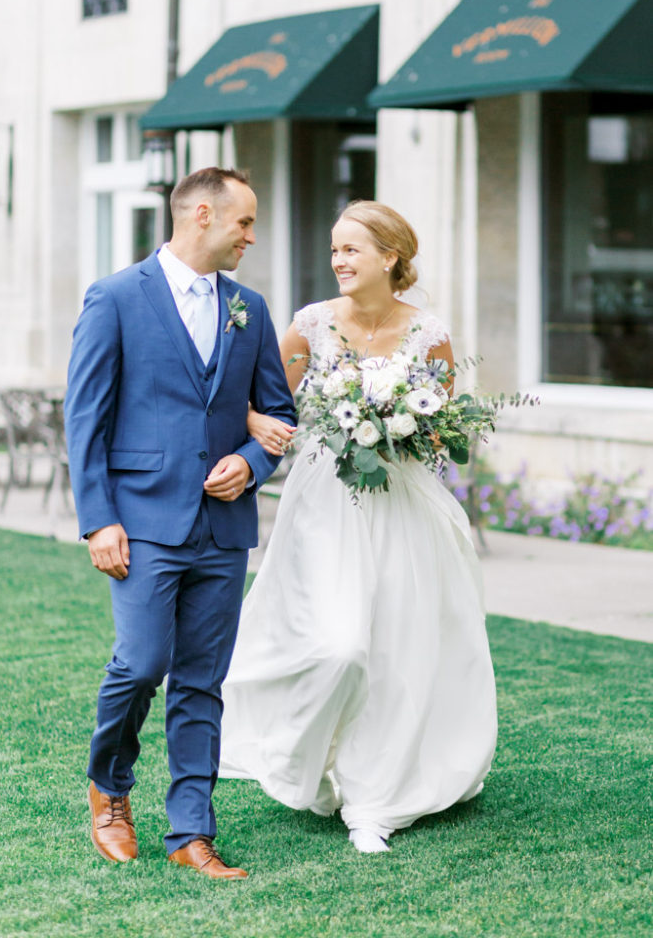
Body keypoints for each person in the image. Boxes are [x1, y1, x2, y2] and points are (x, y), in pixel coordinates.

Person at [220, 200, 497, 854]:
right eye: (335, 249)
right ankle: (302, 758)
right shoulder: (310, 326)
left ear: (390, 256)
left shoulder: (428, 334)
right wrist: (259, 424)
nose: (338, 260)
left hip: (402, 506)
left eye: (351, 249)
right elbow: (253, 396)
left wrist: (404, 425)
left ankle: (376, 799)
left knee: (398, 650)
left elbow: (443, 429)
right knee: (337, 645)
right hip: (323, 506)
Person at [64, 167, 296, 879]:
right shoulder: (115, 298)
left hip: (222, 530)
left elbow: (279, 414)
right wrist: (99, 520)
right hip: (140, 521)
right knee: (142, 662)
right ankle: (110, 788)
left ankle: (191, 831)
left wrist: (252, 463)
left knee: (202, 680)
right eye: (244, 223)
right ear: (201, 213)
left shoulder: (249, 310)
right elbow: (85, 417)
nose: (251, 237)